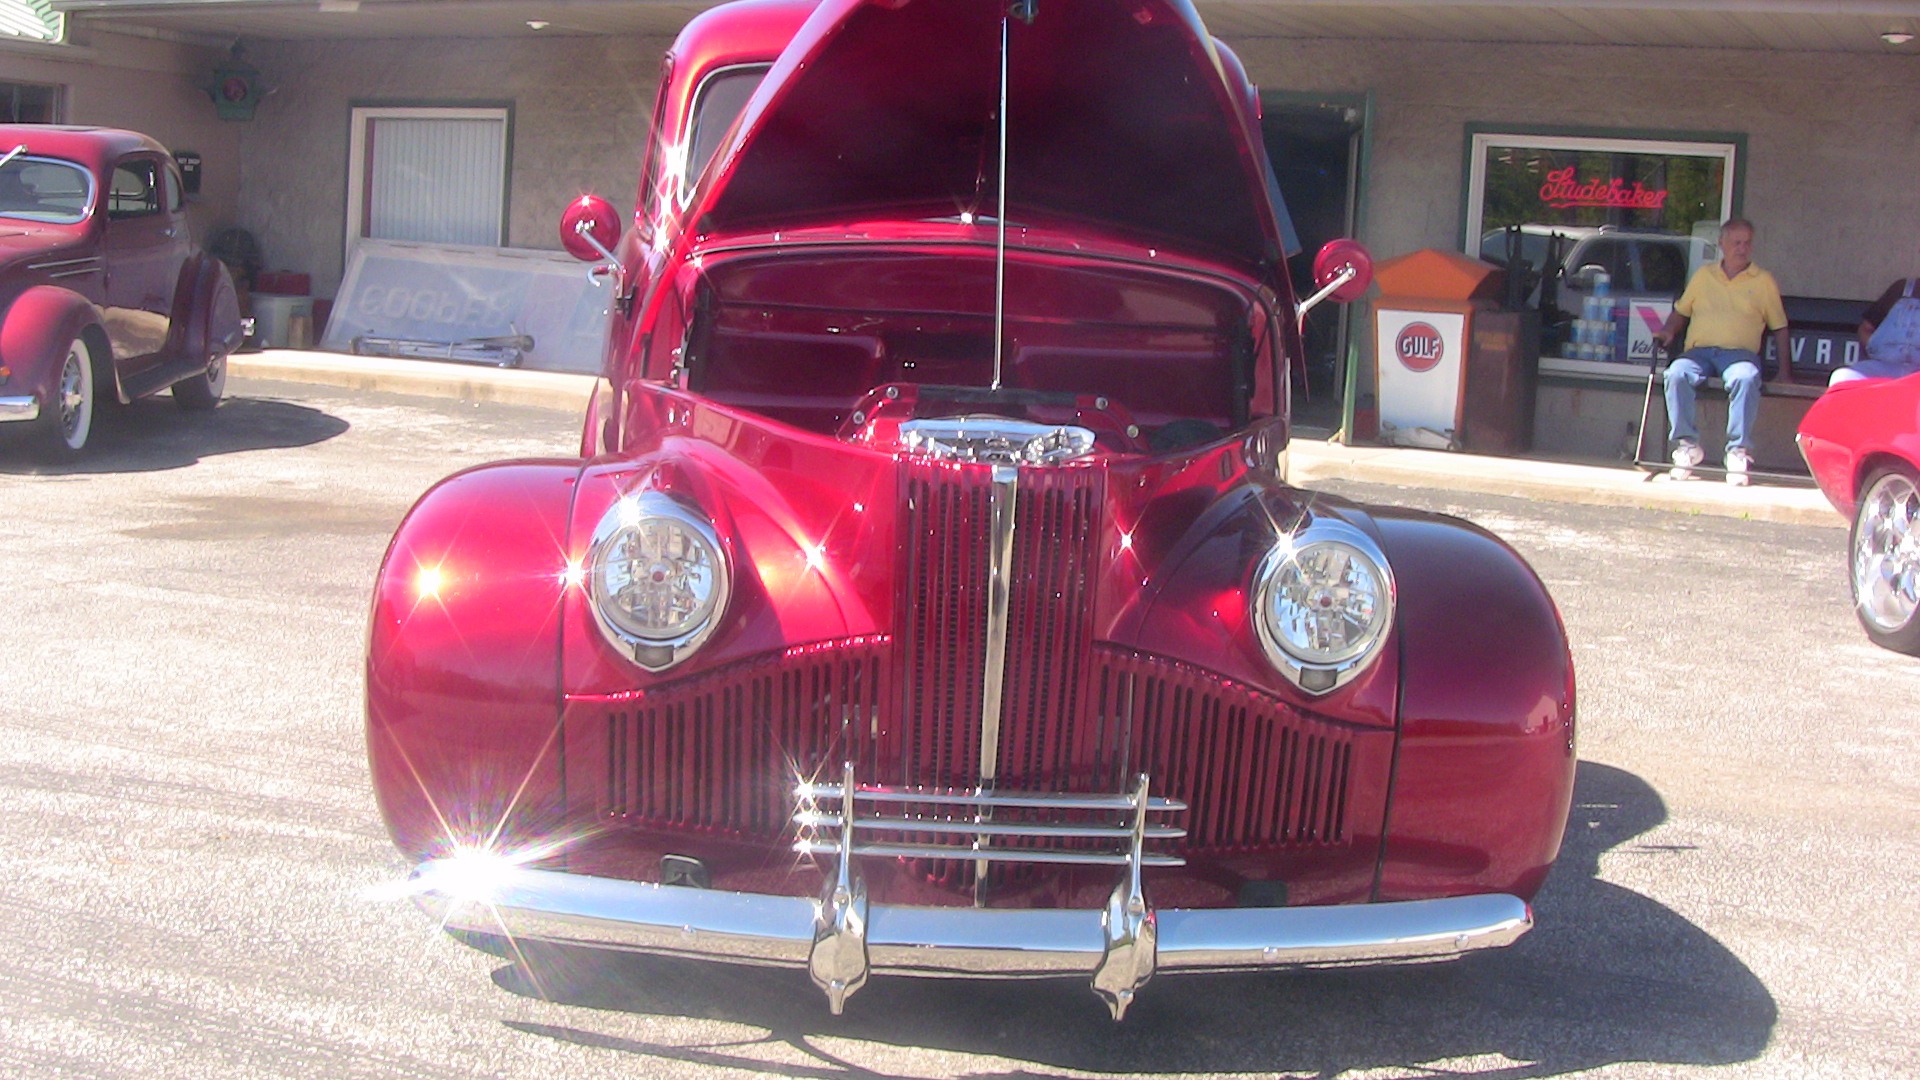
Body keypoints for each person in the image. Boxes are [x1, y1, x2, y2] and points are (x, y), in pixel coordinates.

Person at [1653, 218, 1791, 486]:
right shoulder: (1705, 276)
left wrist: (1785, 372)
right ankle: (1688, 446)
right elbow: (1681, 311)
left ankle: (1738, 452)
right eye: (1736, 242)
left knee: (1745, 378)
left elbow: (1780, 327)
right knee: (1676, 374)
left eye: (1747, 243)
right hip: (1699, 353)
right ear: (1722, 244)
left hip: (1739, 354)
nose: (1742, 248)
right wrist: (1668, 331)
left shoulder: (1763, 281)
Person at [1828, 275, 1920, 385]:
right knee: (1842, 377)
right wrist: (1876, 348)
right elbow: (1865, 328)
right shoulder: (1903, 288)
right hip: (1884, 367)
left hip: (1917, 375)